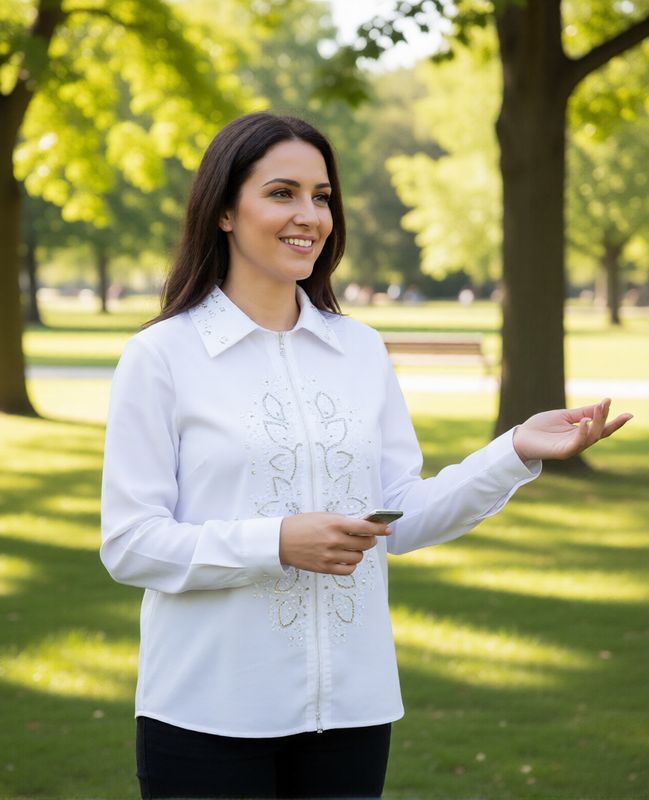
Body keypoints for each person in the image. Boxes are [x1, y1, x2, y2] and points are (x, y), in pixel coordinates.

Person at [100, 112, 633, 800]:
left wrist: (513, 450)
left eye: (321, 196)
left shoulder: (357, 351)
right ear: (225, 211)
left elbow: (398, 517)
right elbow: (131, 544)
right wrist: (276, 542)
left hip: (353, 714)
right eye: (282, 192)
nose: (309, 216)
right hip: (207, 717)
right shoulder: (161, 356)